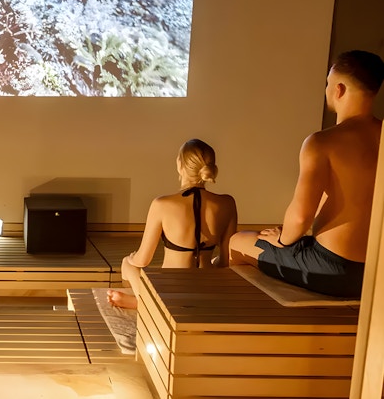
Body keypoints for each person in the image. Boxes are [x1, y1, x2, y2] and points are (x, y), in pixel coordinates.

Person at [229, 50, 384, 298]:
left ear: (339, 89)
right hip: (378, 270)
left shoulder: (322, 142)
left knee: (238, 241)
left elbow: (301, 218)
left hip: (333, 269)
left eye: (327, 83)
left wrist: (282, 240)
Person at [107, 139, 238, 309]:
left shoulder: (162, 204)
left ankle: (145, 305)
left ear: (179, 164)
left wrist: (131, 258)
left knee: (128, 264)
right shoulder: (227, 203)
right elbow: (226, 261)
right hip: (207, 285)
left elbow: (142, 260)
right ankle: (147, 304)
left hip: (171, 290)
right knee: (211, 263)